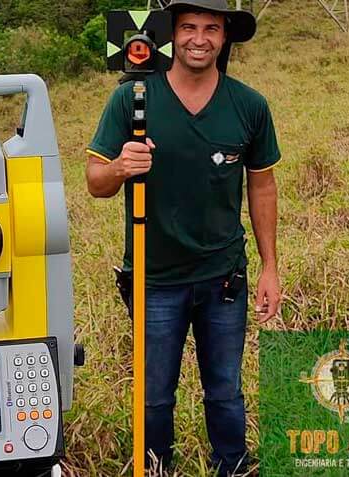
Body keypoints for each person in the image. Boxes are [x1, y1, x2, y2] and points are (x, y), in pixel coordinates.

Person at [85, 0, 281, 475]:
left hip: (224, 278)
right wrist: (120, 167)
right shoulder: (133, 98)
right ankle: (155, 467)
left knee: (226, 390)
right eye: (188, 27)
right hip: (155, 279)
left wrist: (271, 266)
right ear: (172, 35)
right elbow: (95, 182)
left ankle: (232, 466)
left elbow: (262, 184)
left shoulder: (249, 105)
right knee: (153, 396)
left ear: (225, 37)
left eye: (211, 28)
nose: (199, 38)